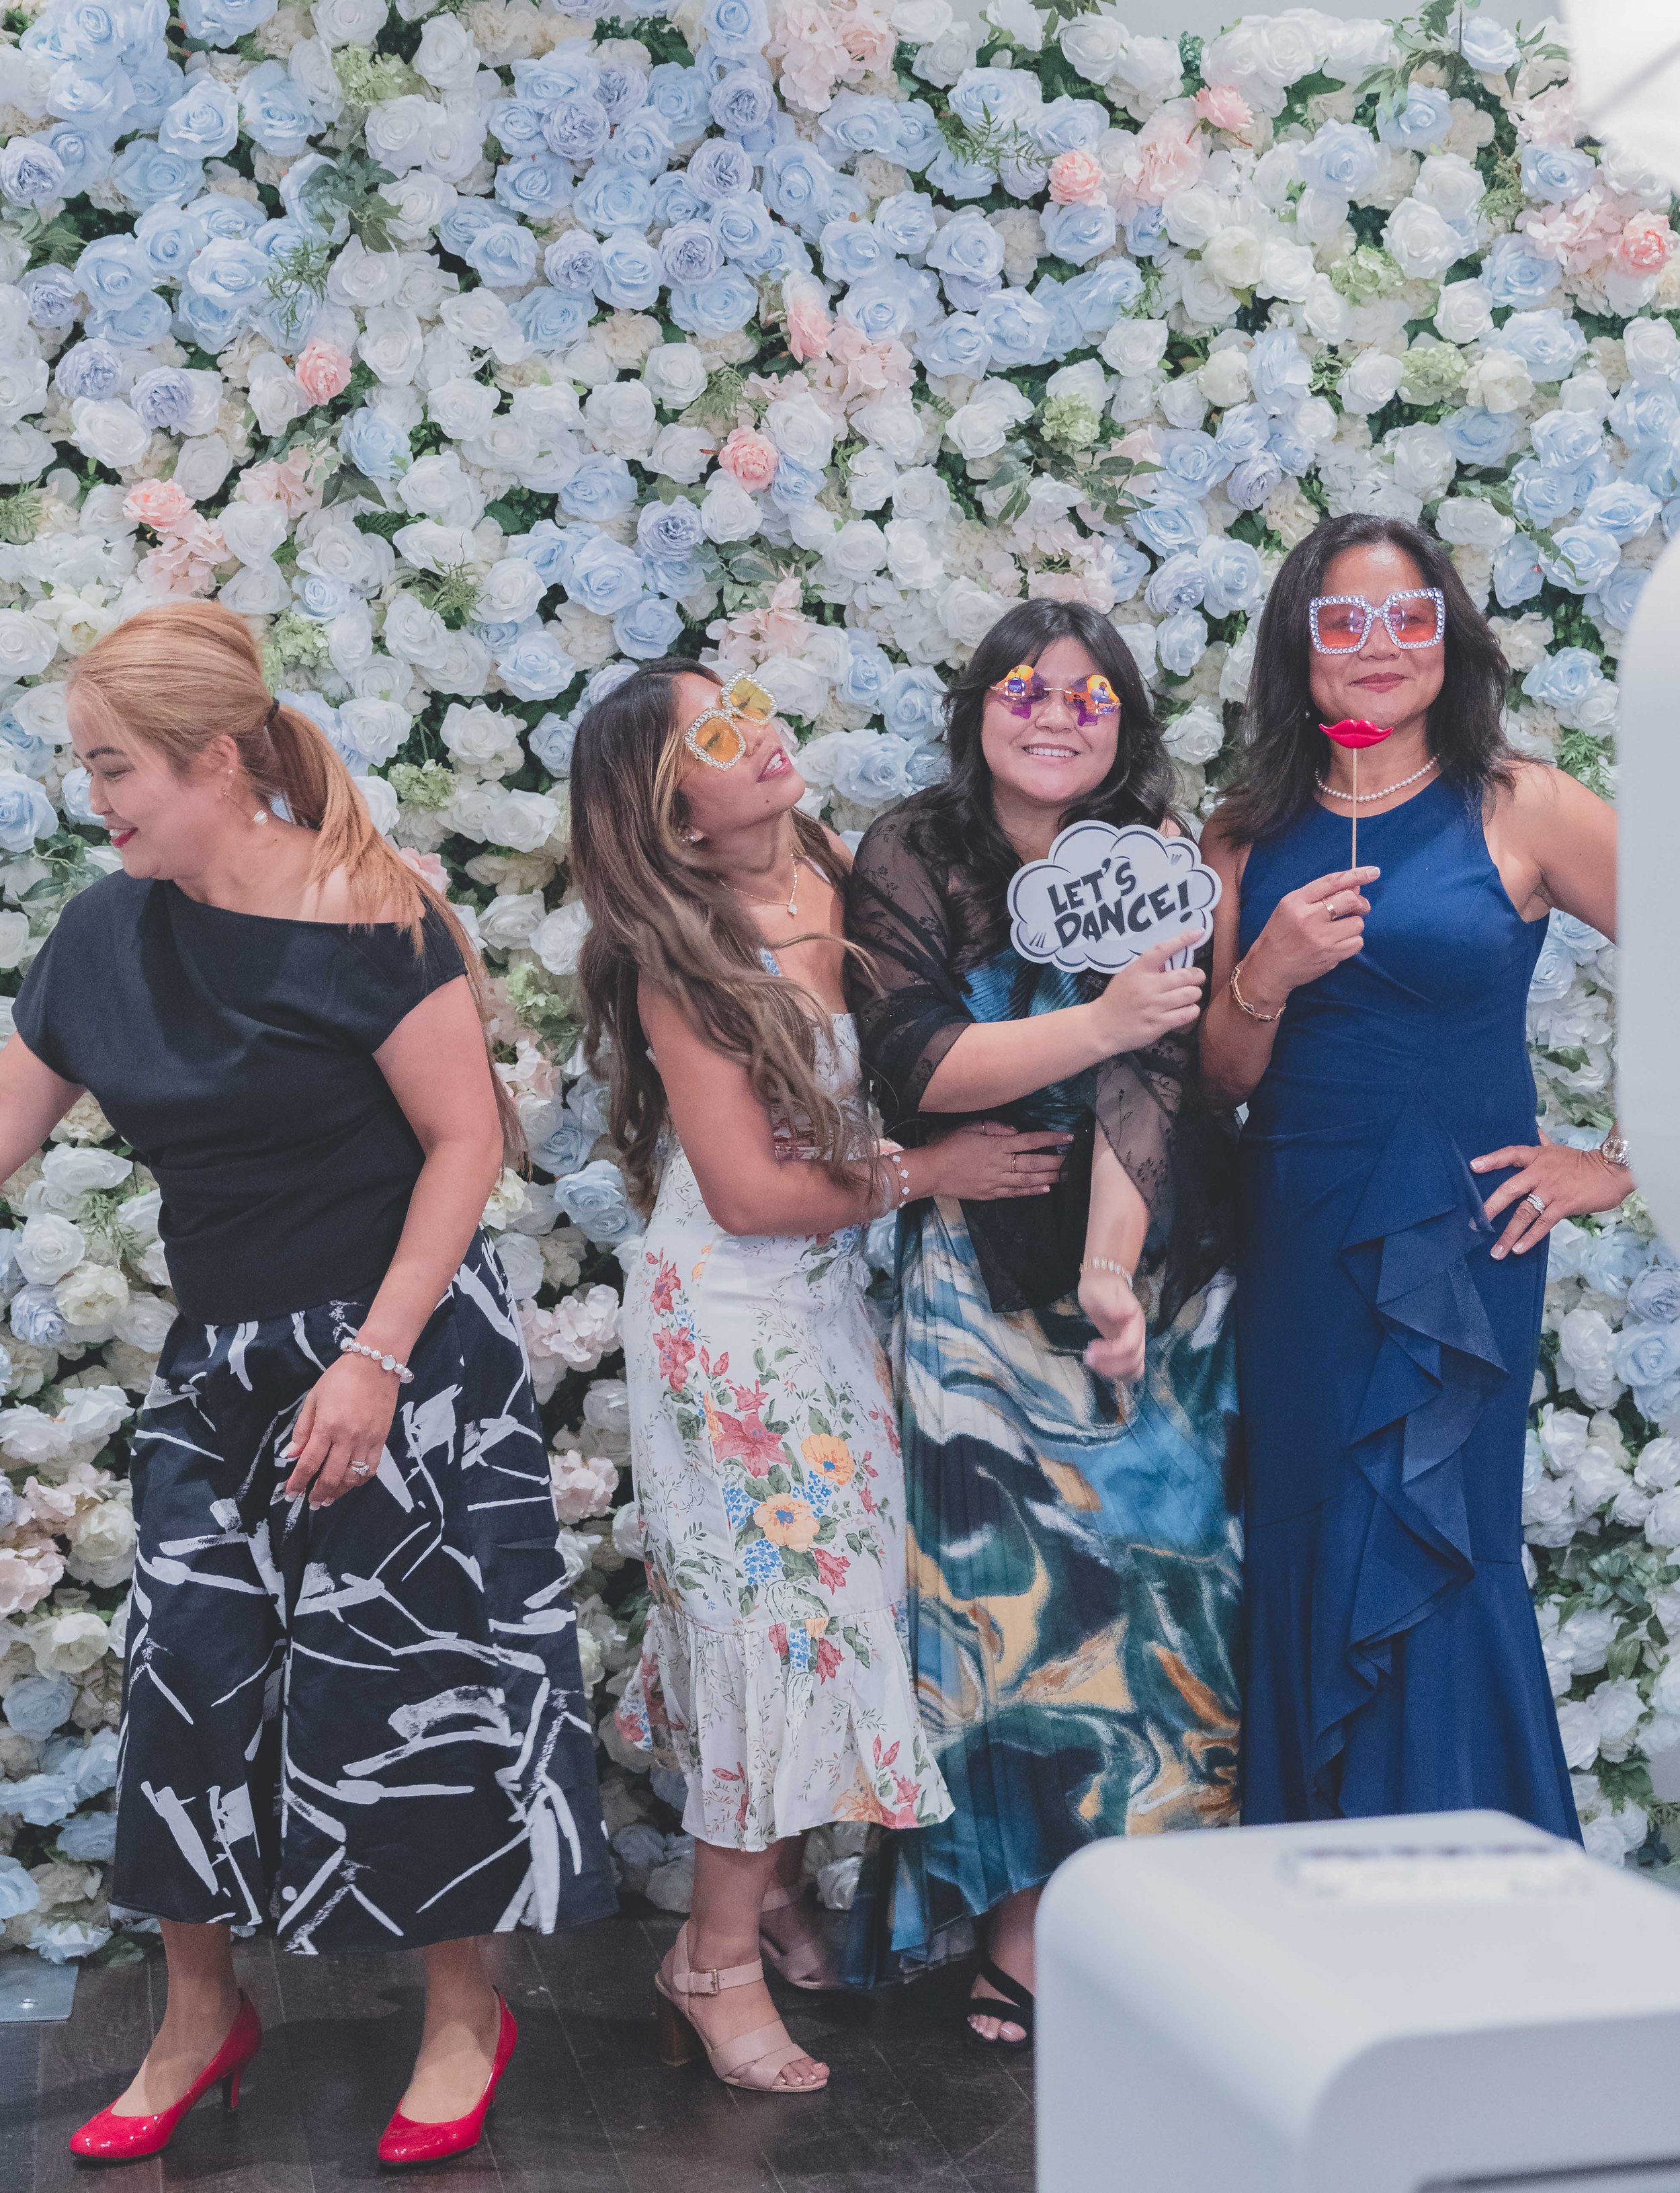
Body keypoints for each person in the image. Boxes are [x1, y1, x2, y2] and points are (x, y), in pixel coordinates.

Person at [6, 603, 613, 2168]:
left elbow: (466, 1143)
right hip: (225, 1366)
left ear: (217, 761)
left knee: (421, 1689)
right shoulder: (100, 933)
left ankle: (466, 2014)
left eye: (116, 766)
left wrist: (375, 1359)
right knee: (185, 1685)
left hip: (400, 1351)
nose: (99, 798)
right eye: (85, 767)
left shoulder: (371, 911)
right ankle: (203, 2019)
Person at [570, 658, 1072, 2094]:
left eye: (747, 705)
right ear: (669, 815)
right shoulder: (681, 956)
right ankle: (708, 1961)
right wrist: (932, 1173)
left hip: (826, 1315)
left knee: (822, 1618)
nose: (763, 732)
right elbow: (740, 1191)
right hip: (727, 1323)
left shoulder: (832, 866)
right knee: (775, 1633)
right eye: (717, 737)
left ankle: (770, 1898)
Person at [843, 599, 1243, 2051]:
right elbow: (915, 1069)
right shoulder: (911, 852)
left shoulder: (1155, 856)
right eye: (1026, 688)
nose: (1056, 713)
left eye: (1089, 695)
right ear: (977, 709)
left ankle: (1157, 1933)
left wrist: (1110, 1274)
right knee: (1016, 1623)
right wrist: (1099, 1019)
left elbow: (1166, 1075)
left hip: (1160, 1281)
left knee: (1170, 1603)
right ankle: (1015, 1930)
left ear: (1125, 721)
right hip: (975, 1300)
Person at [1200, 513, 1629, 1837]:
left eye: (1406, 619)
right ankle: (1313, 1902)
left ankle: (1469, 1905)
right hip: (1294, 1238)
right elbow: (1217, 1069)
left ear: (1445, 637)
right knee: (1308, 1538)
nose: (1377, 647)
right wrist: (1264, 973)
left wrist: (1616, 1163)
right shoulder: (1239, 833)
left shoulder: (1520, 801)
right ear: (1298, 647)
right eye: (1342, 622)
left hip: (1463, 1238)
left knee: (1439, 1542)